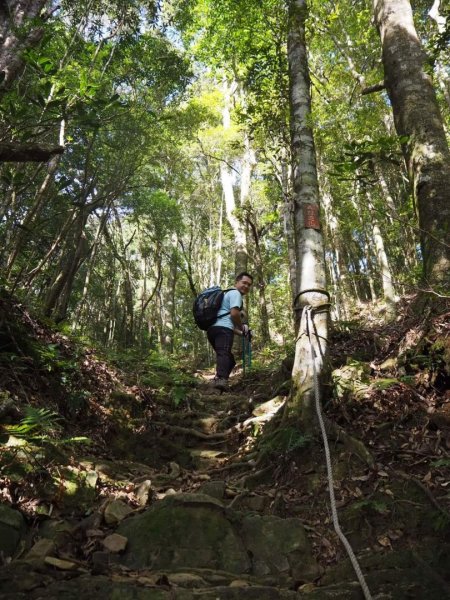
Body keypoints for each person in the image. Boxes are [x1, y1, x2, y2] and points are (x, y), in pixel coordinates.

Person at [207, 272, 253, 391]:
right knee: (224, 353)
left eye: (249, 285)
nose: (246, 286)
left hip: (213, 330)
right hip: (223, 330)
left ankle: (219, 382)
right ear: (236, 282)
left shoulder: (226, 294)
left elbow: (228, 323)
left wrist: (243, 334)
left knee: (230, 359)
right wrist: (243, 326)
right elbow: (234, 314)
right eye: (244, 283)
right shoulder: (235, 293)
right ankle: (220, 381)